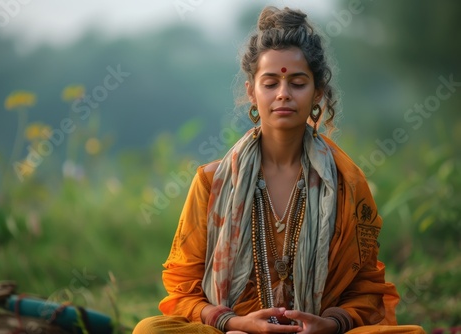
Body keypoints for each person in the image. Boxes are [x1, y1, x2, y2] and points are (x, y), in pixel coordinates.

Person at [133, 6, 425, 334]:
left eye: (297, 83)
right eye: (271, 82)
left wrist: (330, 324)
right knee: (150, 330)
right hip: (237, 332)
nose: (283, 94)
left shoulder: (346, 184)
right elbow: (183, 289)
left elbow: (367, 289)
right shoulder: (212, 181)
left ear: (317, 92)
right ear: (251, 92)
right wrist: (232, 322)